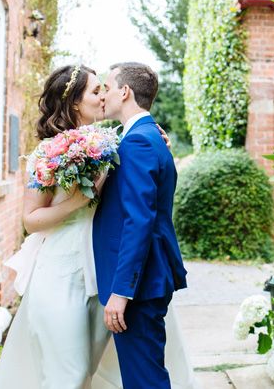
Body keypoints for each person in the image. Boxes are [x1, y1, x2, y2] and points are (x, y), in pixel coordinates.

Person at [0, 64, 196, 389]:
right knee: (69, 372)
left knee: (106, 372)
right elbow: (31, 219)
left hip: (105, 273)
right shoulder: (48, 153)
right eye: (96, 91)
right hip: (65, 270)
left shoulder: (116, 143)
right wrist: (80, 199)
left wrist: (152, 134)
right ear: (75, 101)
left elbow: (138, 189)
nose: (104, 96)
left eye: (106, 89)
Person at [93, 62, 189, 389]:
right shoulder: (146, 136)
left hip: (140, 284)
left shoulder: (140, 142)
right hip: (148, 279)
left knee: (144, 381)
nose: (103, 95)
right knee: (144, 376)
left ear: (125, 91)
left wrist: (121, 291)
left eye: (107, 87)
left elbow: (139, 220)